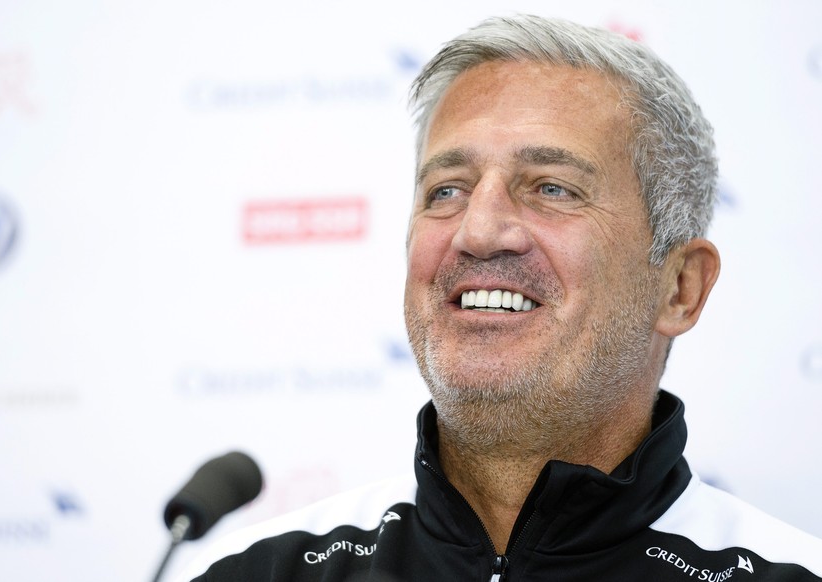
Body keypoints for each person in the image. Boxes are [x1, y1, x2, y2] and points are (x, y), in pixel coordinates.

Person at [181, 14, 822, 581]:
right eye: (447, 189)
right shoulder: (258, 572)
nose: (478, 231)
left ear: (680, 288)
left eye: (551, 188)